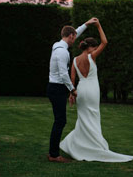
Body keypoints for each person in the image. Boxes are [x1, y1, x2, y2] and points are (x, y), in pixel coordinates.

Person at [60, 19, 133, 162]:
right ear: (89, 47)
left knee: (83, 119)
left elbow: (72, 79)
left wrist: (71, 94)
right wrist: (98, 26)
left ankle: (81, 146)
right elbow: (105, 42)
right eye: (94, 47)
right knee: (94, 118)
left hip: (80, 91)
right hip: (92, 91)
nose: (96, 49)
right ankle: (94, 146)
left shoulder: (75, 60)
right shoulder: (92, 57)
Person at [47, 17, 98, 163]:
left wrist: (86, 25)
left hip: (55, 87)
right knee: (60, 121)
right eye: (74, 37)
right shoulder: (62, 52)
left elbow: (75, 32)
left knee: (60, 121)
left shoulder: (57, 45)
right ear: (70, 36)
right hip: (57, 88)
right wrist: (72, 90)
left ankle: (53, 152)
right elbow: (63, 74)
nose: (76, 39)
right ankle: (54, 155)